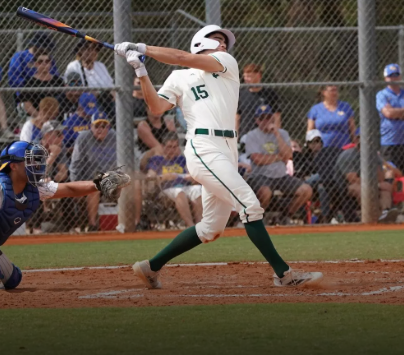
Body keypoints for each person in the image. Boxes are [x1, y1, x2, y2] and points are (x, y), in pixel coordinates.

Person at [114, 24, 322, 289]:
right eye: (216, 39)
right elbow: (156, 107)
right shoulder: (178, 78)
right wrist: (140, 70)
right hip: (203, 146)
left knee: (211, 229)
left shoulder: (226, 62)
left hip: (228, 148)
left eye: (225, 41)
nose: (223, 44)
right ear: (200, 41)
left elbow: (182, 57)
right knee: (250, 205)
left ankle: (150, 267)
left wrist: (143, 48)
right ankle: (284, 274)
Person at [0, 140, 130, 290]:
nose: (38, 166)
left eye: (38, 161)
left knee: (14, 279)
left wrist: (98, 184)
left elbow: (68, 188)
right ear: (13, 166)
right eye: (31, 162)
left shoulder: (33, 188)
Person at [244, 105, 313, 223]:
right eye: (262, 118)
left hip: (281, 176)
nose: (266, 121)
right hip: (260, 175)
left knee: (306, 190)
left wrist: (276, 133)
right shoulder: (251, 135)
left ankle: (284, 217)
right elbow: (258, 160)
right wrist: (278, 157)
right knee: (265, 192)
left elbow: (289, 155)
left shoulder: (282, 133)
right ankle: (258, 220)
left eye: (269, 117)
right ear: (257, 120)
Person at [336, 128, 399, 223]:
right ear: (357, 140)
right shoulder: (348, 155)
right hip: (345, 187)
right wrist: (376, 185)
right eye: (363, 138)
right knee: (359, 188)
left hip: (368, 183)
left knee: (386, 188)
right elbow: (353, 179)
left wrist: (376, 161)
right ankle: (371, 216)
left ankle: (385, 213)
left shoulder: (374, 155)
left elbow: (381, 178)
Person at [143, 132, 202, 228]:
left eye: (175, 147)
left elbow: (192, 175)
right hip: (166, 190)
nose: (172, 150)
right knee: (179, 192)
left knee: (198, 189)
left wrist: (188, 177)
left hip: (185, 186)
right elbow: (151, 176)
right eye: (169, 147)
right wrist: (164, 177)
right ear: (163, 146)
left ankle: (201, 225)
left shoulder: (181, 160)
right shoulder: (157, 160)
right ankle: (191, 226)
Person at [69, 114, 117, 231]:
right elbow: (75, 164)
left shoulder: (114, 136)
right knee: (94, 187)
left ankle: (134, 222)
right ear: (91, 127)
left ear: (108, 127)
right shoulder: (83, 138)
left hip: (112, 177)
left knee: (133, 185)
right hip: (90, 178)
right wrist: (75, 183)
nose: (100, 129)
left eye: (104, 126)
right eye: (97, 126)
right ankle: (93, 225)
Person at [376, 64, 404, 176]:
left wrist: (395, 112)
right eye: (390, 76)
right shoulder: (382, 95)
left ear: (400, 76)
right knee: (392, 174)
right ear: (385, 78)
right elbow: (388, 113)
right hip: (389, 143)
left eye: (396, 75)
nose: (394, 78)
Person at [65, 40, 115, 116]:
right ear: (80, 51)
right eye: (88, 49)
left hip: (106, 100)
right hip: (86, 102)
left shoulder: (100, 66)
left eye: (95, 49)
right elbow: (73, 90)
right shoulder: (73, 66)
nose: (93, 52)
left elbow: (111, 87)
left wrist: (113, 95)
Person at [236, 63, 281, 138]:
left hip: (265, 136)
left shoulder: (270, 93)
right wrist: (236, 137)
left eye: (249, 76)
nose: (246, 79)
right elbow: (237, 117)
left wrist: (277, 135)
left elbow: (277, 116)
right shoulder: (241, 93)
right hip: (246, 136)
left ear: (258, 76)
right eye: (245, 76)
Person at [19, 49, 64, 117]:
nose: (44, 64)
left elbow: (64, 100)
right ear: (36, 64)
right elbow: (27, 105)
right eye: (40, 61)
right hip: (37, 117)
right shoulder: (30, 82)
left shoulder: (58, 80)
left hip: (57, 116)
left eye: (47, 61)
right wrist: (41, 118)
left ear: (50, 63)